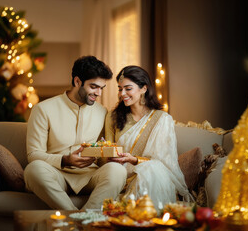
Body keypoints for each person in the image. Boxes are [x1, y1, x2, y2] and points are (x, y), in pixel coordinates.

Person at [24, 56, 127, 210]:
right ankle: (77, 218)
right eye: (93, 86)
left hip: (90, 175)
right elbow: (34, 154)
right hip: (57, 173)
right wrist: (65, 160)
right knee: (33, 170)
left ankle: (85, 216)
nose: (98, 93)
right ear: (77, 81)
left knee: (118, 170)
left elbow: (102, 151)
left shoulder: (102, 112)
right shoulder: (43, 109)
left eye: (101, 88)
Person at [105, 65, 192, 209]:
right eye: (120, 89)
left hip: (151, 176)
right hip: (120, 175)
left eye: (128, 88)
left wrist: (134, 160)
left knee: (151, 169)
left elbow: (164, 162)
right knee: (149, 170)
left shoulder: (162, 119)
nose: (122, 94)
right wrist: (109, 157)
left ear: (144, 88)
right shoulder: (113, 117)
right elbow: (106, 152)